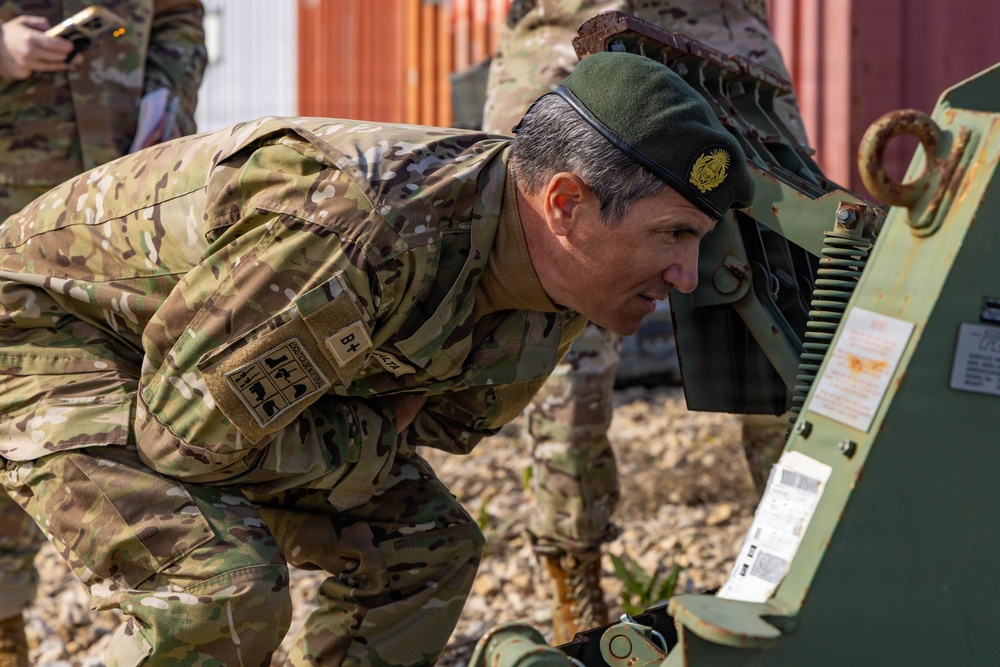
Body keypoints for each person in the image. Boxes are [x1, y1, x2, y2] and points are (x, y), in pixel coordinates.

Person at [0, 51, 751, 665]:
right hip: (51, 328)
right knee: (217, 589)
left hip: (194, 373)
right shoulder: (362, 229)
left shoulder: (551, 285)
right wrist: (363, 441)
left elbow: (434, 425)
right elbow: (189, 437)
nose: (686, 277)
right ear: (564, 204)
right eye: (673, 236)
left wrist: (356, 435)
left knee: (426, 549)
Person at [481, 0, 807, 643]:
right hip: (567, 25)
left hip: (722, 33)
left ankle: (804, 560)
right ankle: (573, 577)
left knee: (785, 302)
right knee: (558, 326)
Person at [0, 2, 206, 662]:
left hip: (112, 211)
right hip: (10, 203)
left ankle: (180, 613)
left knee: (95, 418)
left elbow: (178, 17)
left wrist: (169, 94)